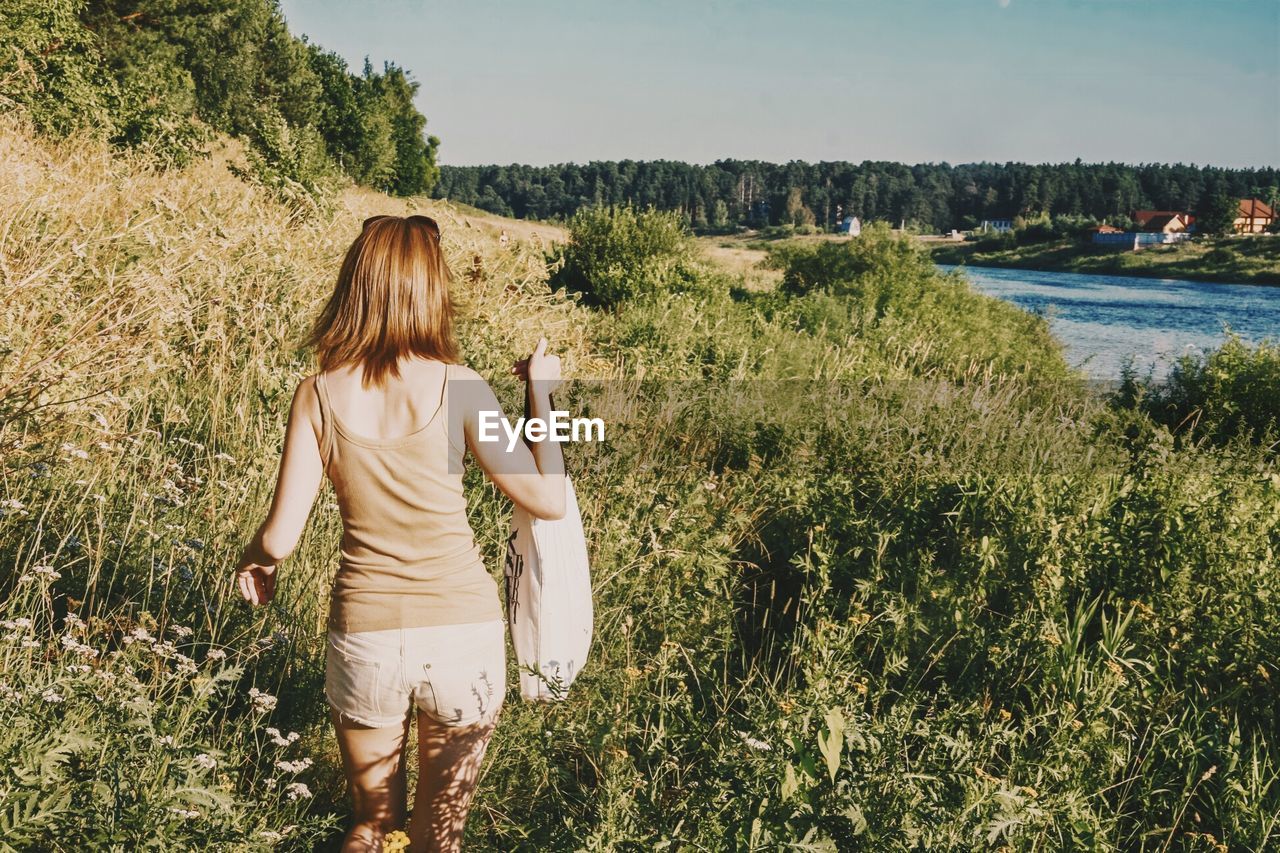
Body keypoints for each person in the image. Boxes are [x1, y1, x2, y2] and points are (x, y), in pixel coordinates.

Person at [234, 214, 566, 851]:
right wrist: (541, 395)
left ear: (355, 285)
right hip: (462, 631)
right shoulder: (462, 388)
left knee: (371, 824)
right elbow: (546, 497)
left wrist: (258, 562)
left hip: (367, 635)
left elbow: (279, 537)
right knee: (437, 839)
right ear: (431, 289)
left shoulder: (318, 395)